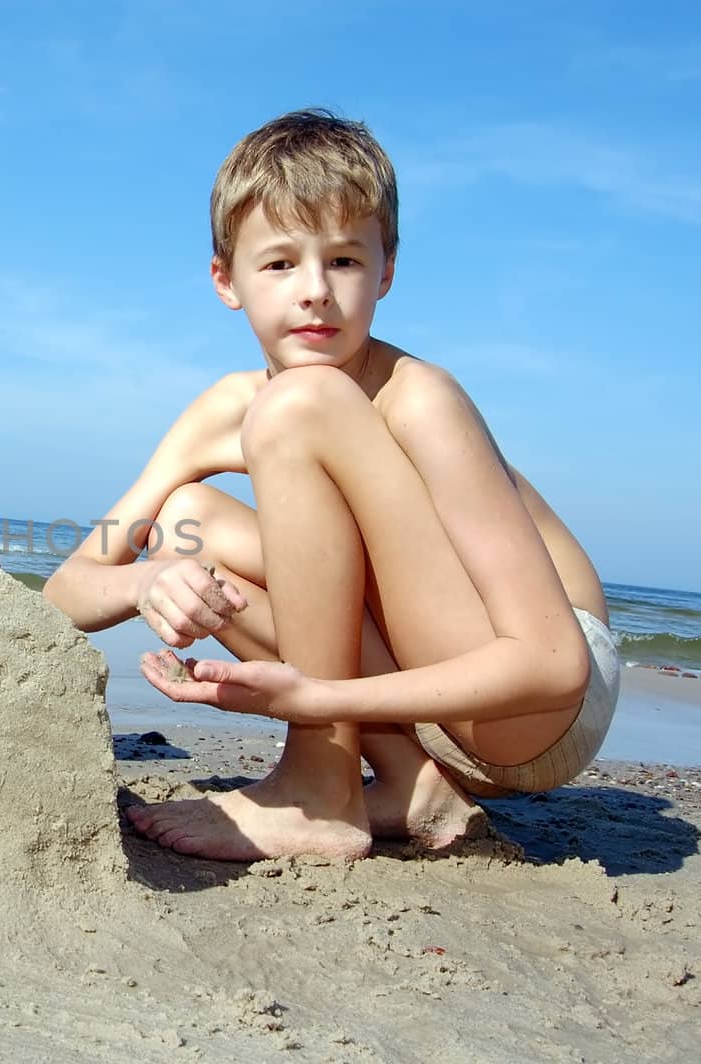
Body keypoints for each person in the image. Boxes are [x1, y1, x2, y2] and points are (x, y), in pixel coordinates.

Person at [42, 109, 619, 862]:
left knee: (299, 404)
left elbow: (551, 664)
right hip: (438, 693)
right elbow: (66, 591)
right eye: (280, 264)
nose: (314, 291)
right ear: (227, 280)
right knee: (187, 518)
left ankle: (319, 785)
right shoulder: (226, 406)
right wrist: (147, 583)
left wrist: (319, 701)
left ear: (386, 270)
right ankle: (414, 786)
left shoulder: (420, 398)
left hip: (537, 707)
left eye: (343, 261)